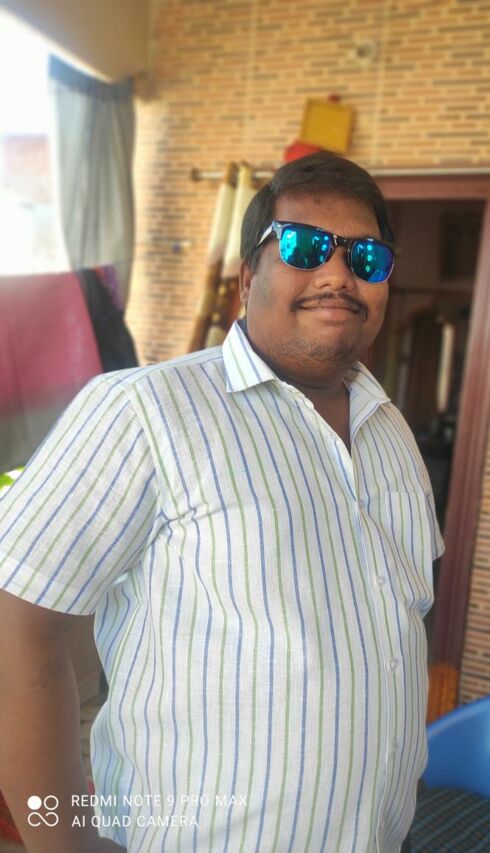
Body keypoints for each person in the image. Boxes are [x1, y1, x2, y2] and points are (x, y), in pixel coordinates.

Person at [0, 152, 443, 853]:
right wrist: (64, 843)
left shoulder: (390, 431)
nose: (338, 274)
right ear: (248, 279)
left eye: (366, 256)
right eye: (303, 247)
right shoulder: (144, 410)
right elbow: (16, 620)